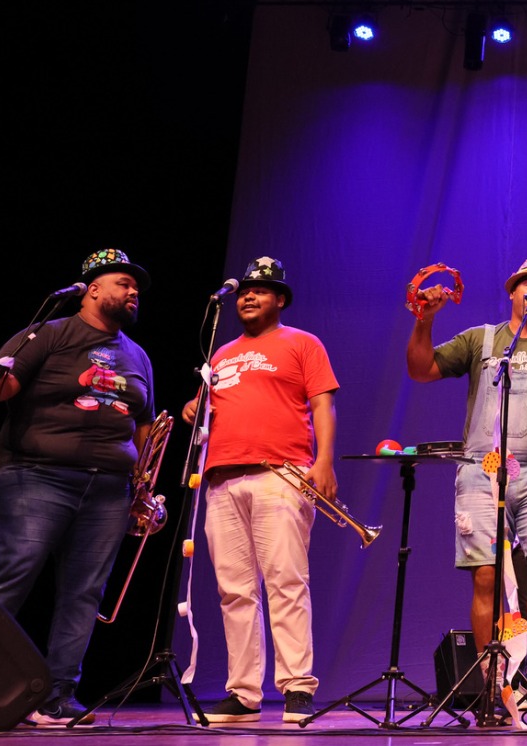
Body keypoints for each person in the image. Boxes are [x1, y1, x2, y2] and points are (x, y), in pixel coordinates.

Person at [0, 247, 156, 726]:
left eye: (136, 288)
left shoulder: (138, 356)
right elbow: (1, 391)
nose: (133, 293)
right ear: (92, 289)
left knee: (84, 592)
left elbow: (144, 425)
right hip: (36, 474)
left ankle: (56, 695)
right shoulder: (48, 333)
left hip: (110, 488)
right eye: (123, 284)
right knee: (15, 569)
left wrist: (143, 483)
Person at [406, 257, 527, 676]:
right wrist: (424, 321)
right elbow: (421, 370)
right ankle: (495, 676)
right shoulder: (480, 341)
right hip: (482, 469)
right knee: (486, 577)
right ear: (513, 292)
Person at [181, 257, 338, 724]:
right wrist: (195, 405)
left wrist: (324, 462)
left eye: (261, 290)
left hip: (281, 472)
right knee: (234, 590)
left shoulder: (302, 344)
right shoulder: (220, 355)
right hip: (221, 477)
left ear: (280, 300)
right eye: (244, 291)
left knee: (286, 581)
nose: (247, 296)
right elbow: (216, 407)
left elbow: (323, 404)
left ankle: (296, 688)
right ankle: (245, 693)